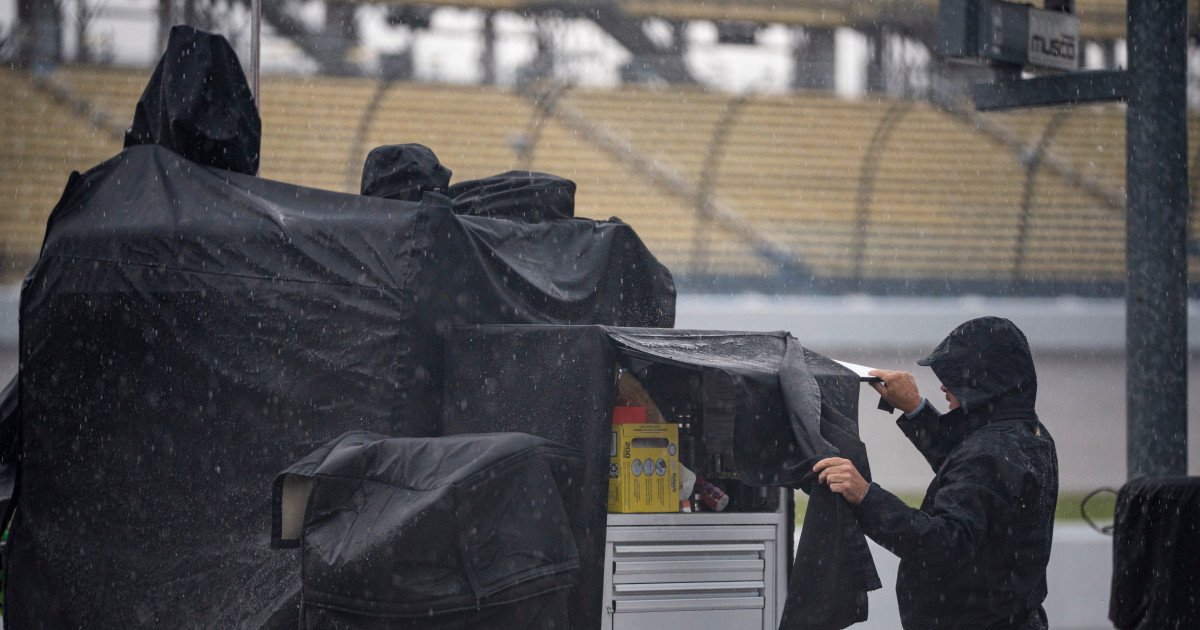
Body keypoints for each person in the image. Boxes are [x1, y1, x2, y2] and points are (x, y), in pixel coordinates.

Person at [813, 316, 1059, 629]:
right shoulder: (1027, 434)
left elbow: (942, 544)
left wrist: (865, 496)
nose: (943, 385)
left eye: (955, 377)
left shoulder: (990, 452)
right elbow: (968, 473)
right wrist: (914, 408)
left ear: (984, 382)